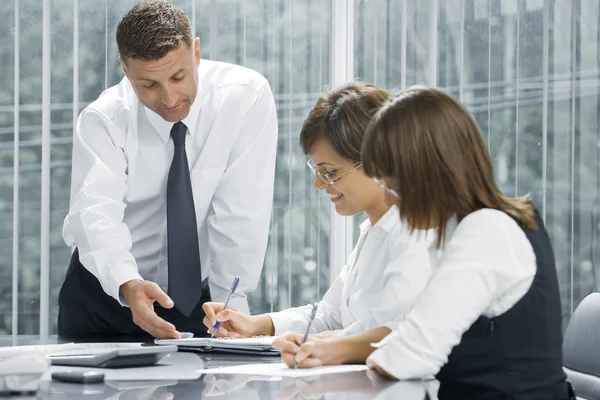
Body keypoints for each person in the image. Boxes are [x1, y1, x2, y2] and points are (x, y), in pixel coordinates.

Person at [273, 86, 576, 400]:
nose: (389, 197)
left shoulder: (488, 231)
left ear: (427, 171)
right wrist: (332, 348)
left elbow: (411, 354)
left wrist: (347, 349)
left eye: (391, 183)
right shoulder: (468, 228)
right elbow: (409, 328)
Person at [58, 1, 277, 340]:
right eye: (149, 85)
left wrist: (230, 308)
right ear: (126, 71)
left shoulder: (245, 98)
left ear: (197, 53)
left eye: (179, 76)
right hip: (107, 294)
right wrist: (127, 283)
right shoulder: (104, 120)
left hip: (199, 304)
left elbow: (241, 215)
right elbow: (95, 217)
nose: (170, 97)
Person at [201, 82, 435, 339]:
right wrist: (258, 324)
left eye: (330, 172)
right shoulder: (374, 229)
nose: (319, 184)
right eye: (317, 171)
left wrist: (311, 342)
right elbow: (330, 315)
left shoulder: (417, 232)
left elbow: (389, 331)